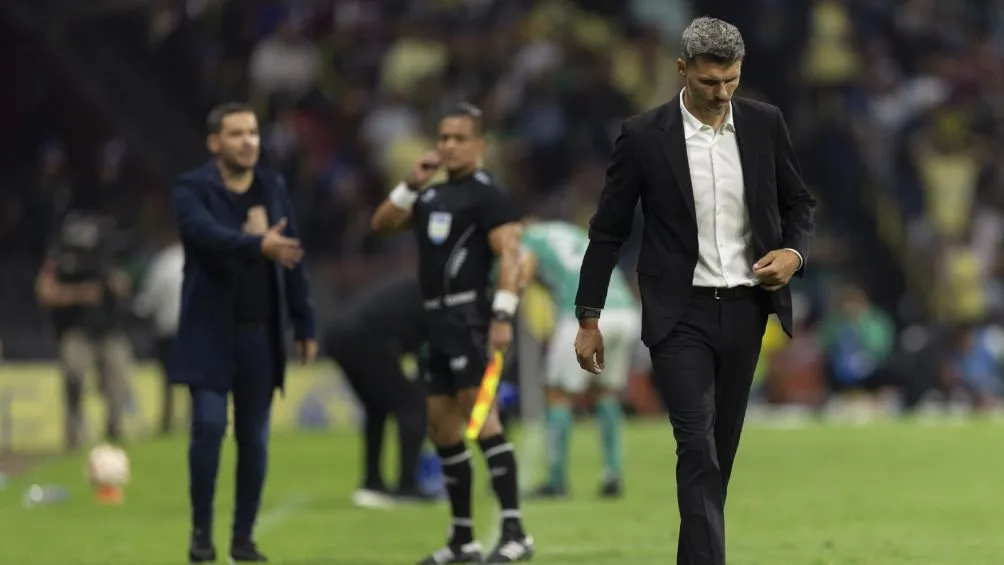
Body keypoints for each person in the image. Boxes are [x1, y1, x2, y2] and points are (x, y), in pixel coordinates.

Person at [572, 17, 817, 565]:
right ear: (682, 69)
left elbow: (799, 203)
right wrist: (588, 316)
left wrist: (794, 255)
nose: (722, 92)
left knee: (718, 456)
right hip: (678, 314)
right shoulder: (643, 136)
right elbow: (608, 230)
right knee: (697, 446)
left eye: (731, 80)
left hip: (746, 310)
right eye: (710, 81)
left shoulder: (764, 124)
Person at [371, 103, 535, 564]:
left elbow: (513, 256)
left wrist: (502, 315)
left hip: (471, 322)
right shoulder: (431, 197)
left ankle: (516, 533)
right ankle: (463, 540)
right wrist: (410, 183)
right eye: (443, 137)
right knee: (441, 427)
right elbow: (381, 224)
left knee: (482, 422)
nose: (448, 146)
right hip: (434, 324)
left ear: (480, 144)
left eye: (459, 138)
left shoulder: (489, 195)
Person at [170, 102, 317, 564]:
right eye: (236, 134)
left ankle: (243, 539)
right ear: (214, 142)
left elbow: (292, 255)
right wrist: (258, 244)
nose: (249, 141)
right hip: (209, 333)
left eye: (253, 132)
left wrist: (305, 321)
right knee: (209, 426)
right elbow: (204, 236)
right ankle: (201, 532)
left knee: (254, 439)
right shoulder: (192, 189)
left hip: (260, 334)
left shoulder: (272, 186)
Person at [516, 218, 640, 499]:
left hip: (586, 316)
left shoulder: (530, 239)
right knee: (604, 392)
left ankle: (556, 480)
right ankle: (612, 473)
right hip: (624, 312)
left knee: (557, 393)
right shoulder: (572, 233)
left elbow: (524, 273)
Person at [322, 274, 434, 508]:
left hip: (339, 336)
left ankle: (372, 484)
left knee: (377, 407)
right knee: (412, 407)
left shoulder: (416, 287)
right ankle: (407, 486)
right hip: (363, 339)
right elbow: (426, 353)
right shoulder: (436, 299)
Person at [35, 210, 135, 452]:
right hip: (77, 331)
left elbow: (125, 286)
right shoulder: (61, 259)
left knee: (118, 383)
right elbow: (45, 292)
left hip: (109, 332)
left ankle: (115, 433)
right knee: (74, 379)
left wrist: (116, 283)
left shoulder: (108, 257)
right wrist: (80, 293)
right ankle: (74, 439)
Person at [133, 230, 185, 434]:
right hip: (198, 330)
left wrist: (137, 309)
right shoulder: (202, 258)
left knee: (168, 380)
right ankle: (195, 421)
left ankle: (168, 421)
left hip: (169, 332)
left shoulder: (162, 263)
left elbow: (148, 300)